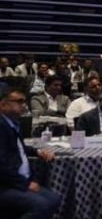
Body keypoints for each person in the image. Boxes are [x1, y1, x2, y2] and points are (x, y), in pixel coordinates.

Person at [0, 90, 60, 219]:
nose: (24, 105)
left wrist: (38, 152)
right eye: (19, 101)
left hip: (19, 181)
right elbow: (1, 165)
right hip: (6, 185)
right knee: (43, 205)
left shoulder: (13, 123)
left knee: (54, 199)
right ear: (3, 104)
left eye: (25, 101)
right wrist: (24, 184)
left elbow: (19, 147)